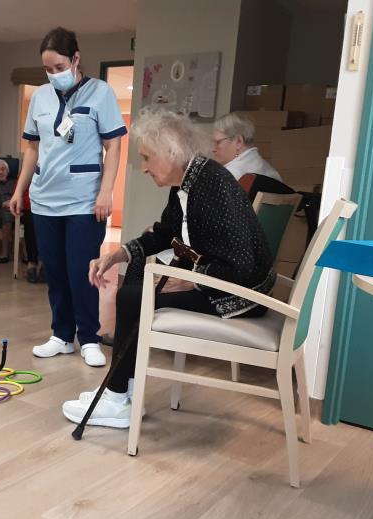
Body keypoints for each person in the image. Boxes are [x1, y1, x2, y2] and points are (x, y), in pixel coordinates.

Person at [62, 108, 276, 428]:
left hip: (241, 296)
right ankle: (124, 389)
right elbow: (165, 234)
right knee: (134, 285)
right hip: (226, 283)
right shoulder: (189, 181)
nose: (144, 167)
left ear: (171, 152)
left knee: (132, 298)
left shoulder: (213, 185)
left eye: (147, 157)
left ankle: (118, 399)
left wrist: (190, 281)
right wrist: (118, 255)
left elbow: (241, 265)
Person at [10, 27, 127, 368]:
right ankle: (61, 335)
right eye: (48, 69)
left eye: (59, 67)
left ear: (76, 59)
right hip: (45, 198)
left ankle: (88, 338)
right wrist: (19, 189)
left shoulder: (101, 93)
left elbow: (114, 146)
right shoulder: (41, 98)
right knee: (56, 273)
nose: (54, 74)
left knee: (82, 272)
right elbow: (33, 148)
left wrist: (106, 191)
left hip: (84, 200)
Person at [212, 112, 282, 183]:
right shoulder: (264, 166)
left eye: (218, 142)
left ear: (238, 142)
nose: (213, 149)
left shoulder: (231, 173)